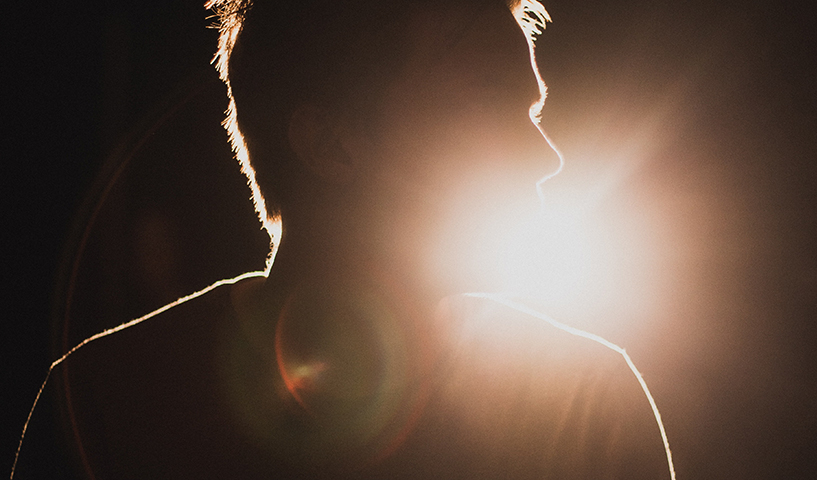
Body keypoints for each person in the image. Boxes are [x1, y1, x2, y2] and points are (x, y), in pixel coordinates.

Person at [14, 0, 674, 478]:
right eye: (489, 99)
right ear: (331, 142)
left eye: (530, 113)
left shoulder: (589, 404)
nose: (546, 156)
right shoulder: (114, 398)